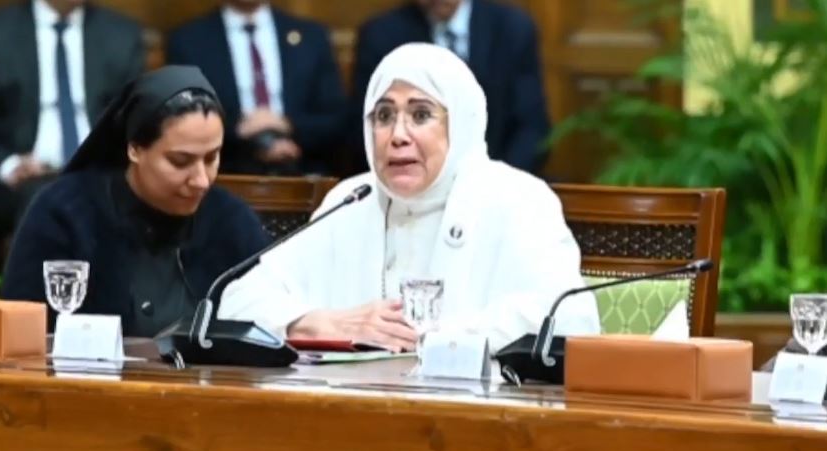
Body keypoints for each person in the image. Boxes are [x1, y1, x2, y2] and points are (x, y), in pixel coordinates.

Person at [218, 44, 599, 353]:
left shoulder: (517, 200)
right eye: (383, 116)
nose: (397, 135)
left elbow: (567, 317)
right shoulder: (351, 200)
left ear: (460, 122)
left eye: (420, 115)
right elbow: (237, 301)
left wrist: (428, 340)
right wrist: (320, 323)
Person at [2, 66, 271, 337]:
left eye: (212, 158)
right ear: (135, 148)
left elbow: (268, 326)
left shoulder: (232, 221)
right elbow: (20, 332)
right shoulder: (65, 213)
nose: (201, 180)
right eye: (180, 161)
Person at [0, 0, 145, 271]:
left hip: (100, 172)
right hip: (22, 180)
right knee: (46, 196)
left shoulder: (122, 35)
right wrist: (9, 164)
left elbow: (135, 119)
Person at [350, 0, 550, 176]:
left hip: (497, 180)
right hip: (414, 186)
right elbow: (367, 127)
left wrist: (496, 182)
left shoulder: (512, 28)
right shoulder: (381, 35)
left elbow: (531, 127)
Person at [166, 0, 347, 176]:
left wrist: (287, 125)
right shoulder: (188, 40)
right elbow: (182, 119)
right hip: (224, 172)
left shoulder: (312, 37)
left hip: (303, 170)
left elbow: (336, 118)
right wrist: (239, 130)